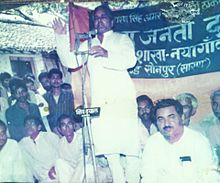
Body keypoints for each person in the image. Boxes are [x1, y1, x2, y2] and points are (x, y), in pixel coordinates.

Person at [53, 4, 140, 183]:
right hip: (101, 104)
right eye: (96, 18)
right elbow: (71, 61)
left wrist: (107, 53)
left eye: (104, 17)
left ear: (112, 21)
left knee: (131, 151)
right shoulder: (88, 43)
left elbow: (130, 61)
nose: (99, 21)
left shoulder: (121, 39)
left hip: (122, 103)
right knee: (111, 154)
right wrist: (61, 36)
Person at [141, 98, 219, 183]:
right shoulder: (152, 143)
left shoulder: (198, 142)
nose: (166, 123)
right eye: (161, 119)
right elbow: (148, 176)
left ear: (181, 117)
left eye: (171, 117)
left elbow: (211, 177)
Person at [19, 115, 60, 182]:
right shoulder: (22, 144)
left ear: (39, 127)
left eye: (32, 124)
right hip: (42, 179)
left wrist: (55, 167)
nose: (29, 127)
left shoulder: (50, 137)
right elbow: (26, 165)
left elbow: (62, 154)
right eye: (26, 124)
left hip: (57, 174)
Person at [43, 68, 75, 137]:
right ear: (49, 80)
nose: (56, 80)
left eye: (58, 78)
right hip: (53, 133)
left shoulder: (69, 95)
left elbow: (73, 112)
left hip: (69, 131)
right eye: (53, 78)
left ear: (61, 80)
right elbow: (45, 117)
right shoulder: (44, 98)